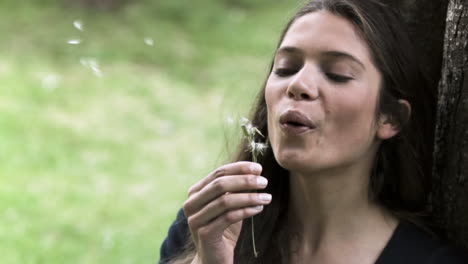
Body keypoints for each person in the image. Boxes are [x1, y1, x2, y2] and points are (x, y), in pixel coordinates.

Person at [159, 0, 468, 263]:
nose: (298, 85)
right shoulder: (208, 228)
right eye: (285, 68)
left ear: (391, 117)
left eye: (337, 75)